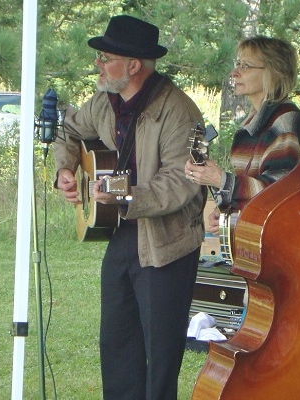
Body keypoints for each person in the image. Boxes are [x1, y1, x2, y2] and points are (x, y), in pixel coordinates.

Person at [53, 15, 206, 400]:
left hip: (167, 244)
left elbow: (184, 180)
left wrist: (125, 197)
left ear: (134, 65)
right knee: (117, 346)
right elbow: (69, 130)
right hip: (123, 236)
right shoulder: (105, 102)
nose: (98, 65)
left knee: (159, 358)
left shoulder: (179, 111)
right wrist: (65, 170)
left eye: (106, 57)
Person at [184, 36, 300, 233]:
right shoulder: (249, 126)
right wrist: (226, 210)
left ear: (274, 72)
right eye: (237, 64)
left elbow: (278, 190)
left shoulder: (285, 121)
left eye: (246, 66)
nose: (235, 73)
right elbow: (249, 191)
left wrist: (220, 180)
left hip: (277, 240)